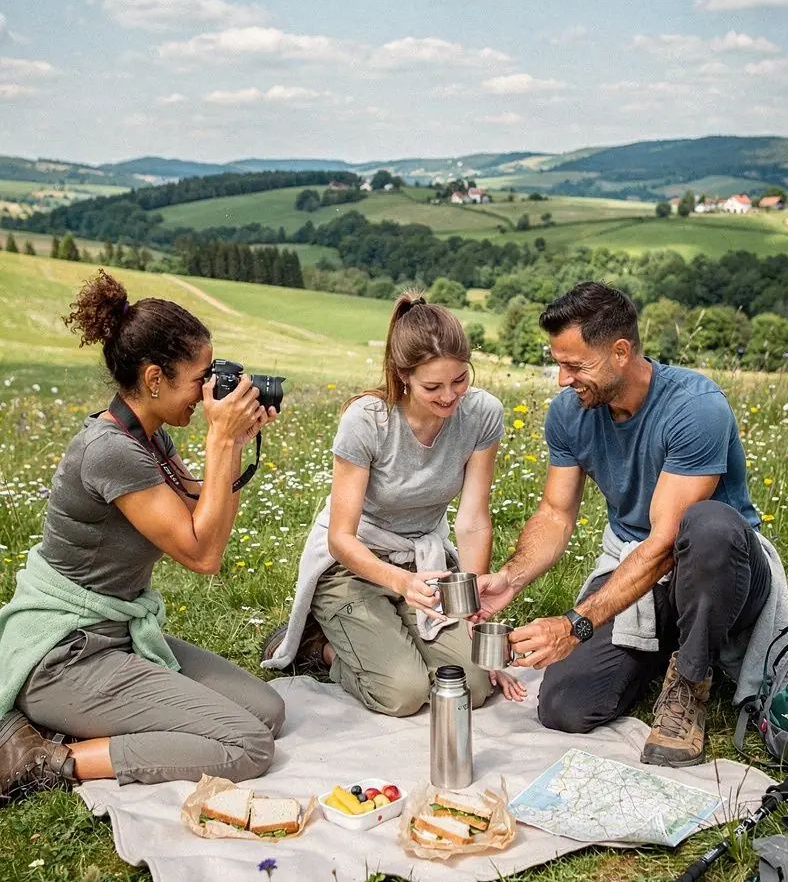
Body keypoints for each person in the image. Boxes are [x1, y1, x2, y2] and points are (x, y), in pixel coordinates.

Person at [476, 281, 788, 767]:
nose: (562, 379)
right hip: (639, 570)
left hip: (721, 572)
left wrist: (576, 624)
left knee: (707, 526)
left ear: (620, 352)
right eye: (558, 363)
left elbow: (667, 542)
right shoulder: (569, 413)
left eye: (575, 365)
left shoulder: (695, 407)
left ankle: (690, 679)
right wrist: (510, 579)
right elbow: (555, 513)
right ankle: (658, 653)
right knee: (565, 707)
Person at [0, 271, 285, 801]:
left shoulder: (149, 437)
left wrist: (236, 441)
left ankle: (83, 724)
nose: (207, 393)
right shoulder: (110, 450)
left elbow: (205, 510)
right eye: (200, 378)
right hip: (68, 653)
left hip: (117, 638)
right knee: (247, 746)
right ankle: (44, 759)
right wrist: (219, 442)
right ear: (155, 378)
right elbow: (202, 555)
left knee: (267, 712)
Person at [262, 293, 522, 715]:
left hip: (424, 563)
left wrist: (470, 605)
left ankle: (390, 636)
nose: (449, 397)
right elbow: (340, 539)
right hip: (353, 566)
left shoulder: (481, 415)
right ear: (403, 376)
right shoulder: (367, 421)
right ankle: (321, 648)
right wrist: (401, 585)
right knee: (404, 693)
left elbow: (473, 519)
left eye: (459, 380)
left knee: (471, 686)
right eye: (432, 387)